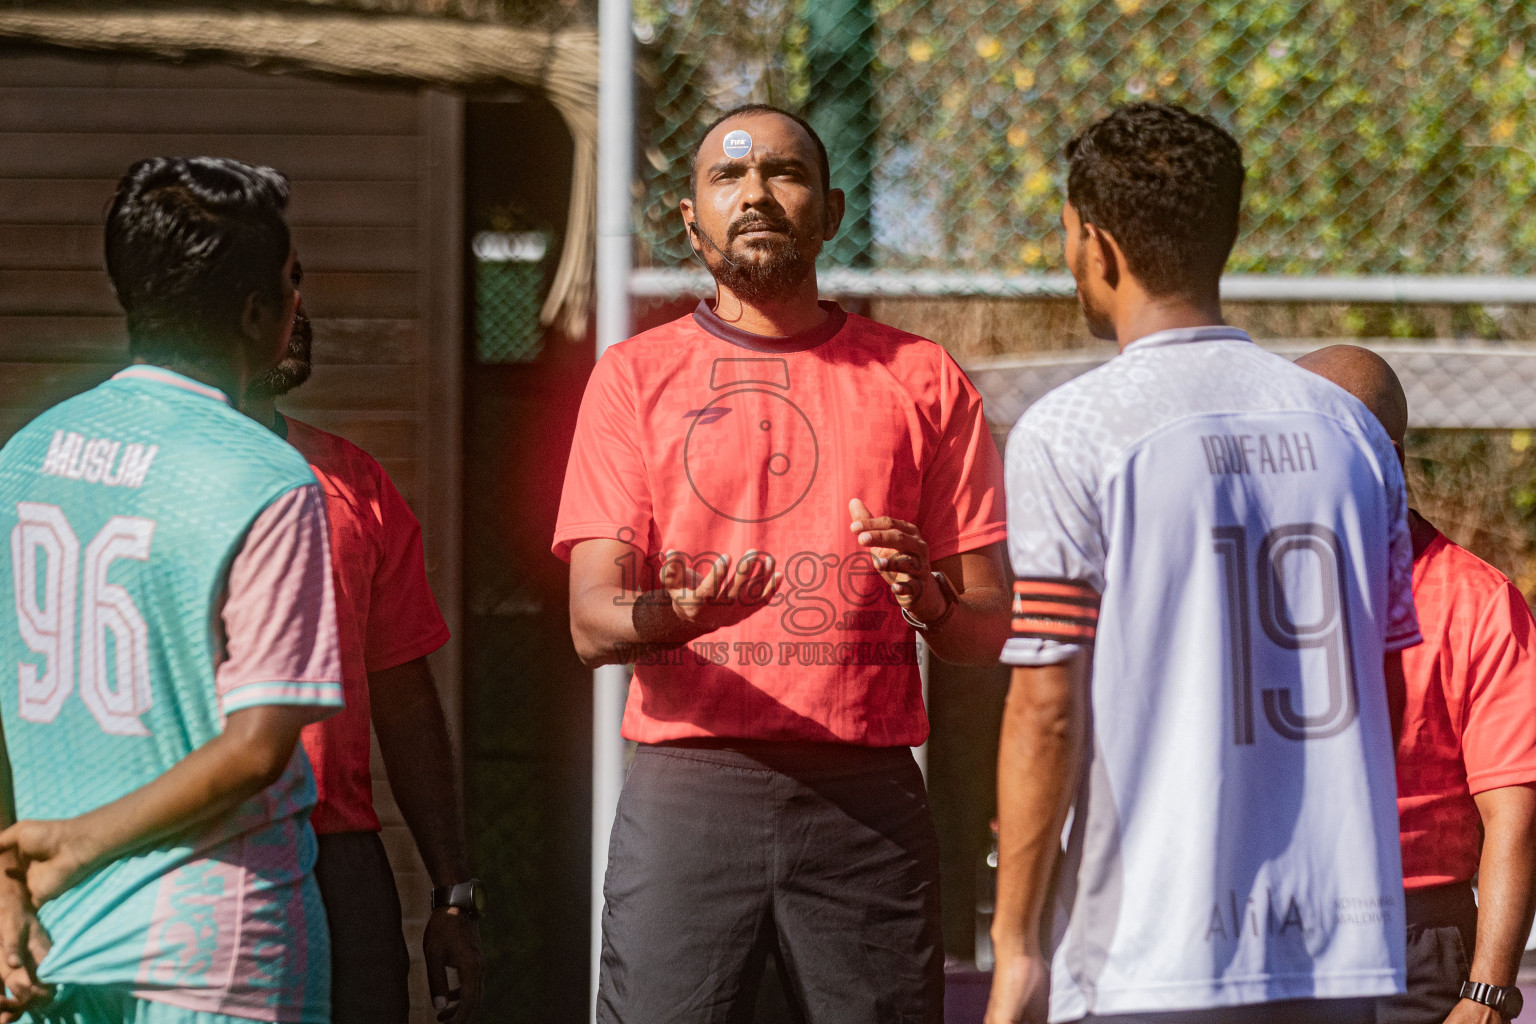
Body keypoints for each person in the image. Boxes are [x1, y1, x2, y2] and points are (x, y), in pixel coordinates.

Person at [554, 103, 1012, 1023]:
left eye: (784, 172)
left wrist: (929, 600)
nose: (756, 193)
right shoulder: (633, 376)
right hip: (690, 787)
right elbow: (590, 622)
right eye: (728, 176)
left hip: (867, 800)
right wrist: (684, 614)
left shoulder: (924, 378)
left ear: (832, 212)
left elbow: (986, 628)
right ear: (691, 221)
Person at [986, 103, 1421, 1024]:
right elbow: (1384, 683)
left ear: (1098, 244)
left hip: (1151, 951)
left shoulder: (1072, 430)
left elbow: (1046, 709)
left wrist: (1017, 947)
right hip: (1337, 945)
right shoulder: (1353, 432)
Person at [0, 157, 343, 1024]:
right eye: (291, 279)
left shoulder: (25, 457)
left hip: (50, 942)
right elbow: (258, 747)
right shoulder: (270, 478)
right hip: (217, 944)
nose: (298, 299)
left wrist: (9, 881)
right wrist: (74, 845)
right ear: (257, 313)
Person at [242, 268, 483, 1023]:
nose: (296, 307)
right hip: (195, 853)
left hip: (338, 858)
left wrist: (452, 892)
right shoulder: (133, 474)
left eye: (297, 284)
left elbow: (405, 701)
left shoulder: (355, 482)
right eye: (270, 287)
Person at [1296, 345, 1536, 1024]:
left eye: (1306, 444)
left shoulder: (1478, 601)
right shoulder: (1253, 588)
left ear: (1384, 459)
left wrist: (1487, 994)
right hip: (1268, 930)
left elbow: (1515, 813)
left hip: (1415, 944)